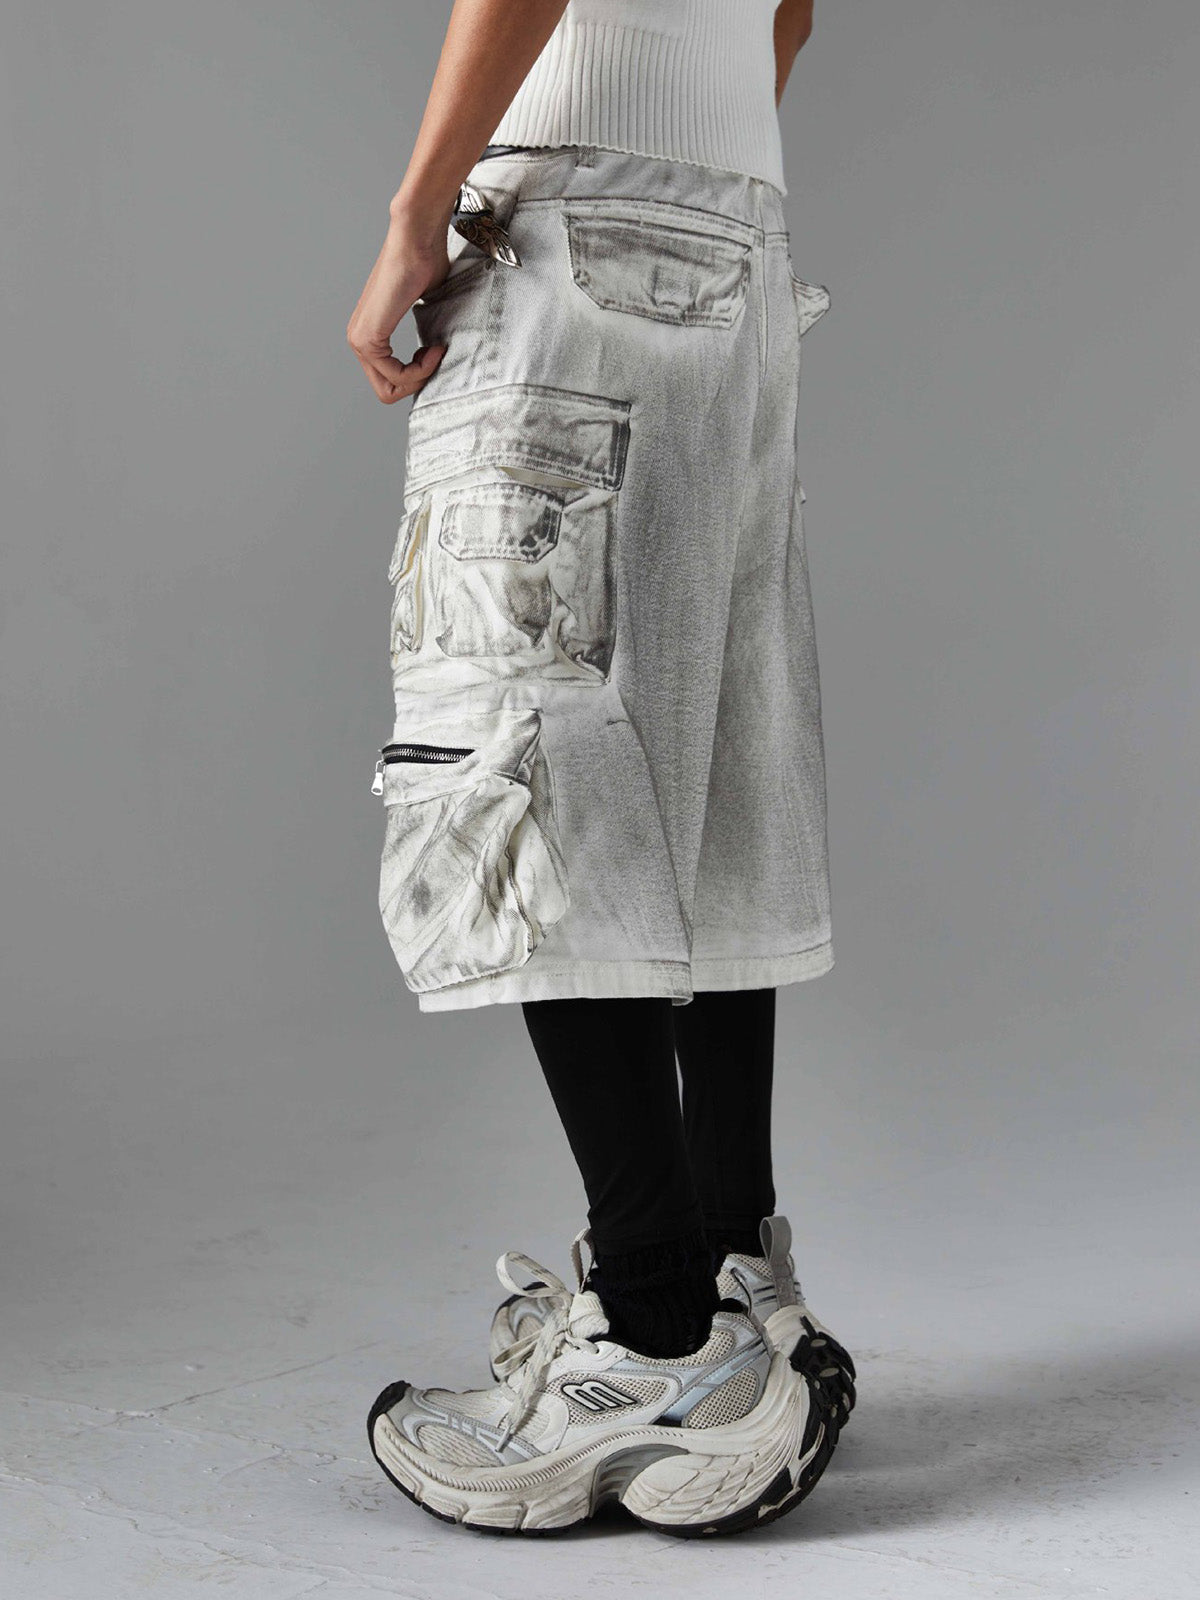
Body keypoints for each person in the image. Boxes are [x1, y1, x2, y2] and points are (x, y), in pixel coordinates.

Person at [346, 0, 852, 1537]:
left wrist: (417, 212)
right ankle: (734, 1283)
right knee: (708, 757)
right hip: (736, 232)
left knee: (532, 730)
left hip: (575, 211)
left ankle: (652, 1335)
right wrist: (695, 187)